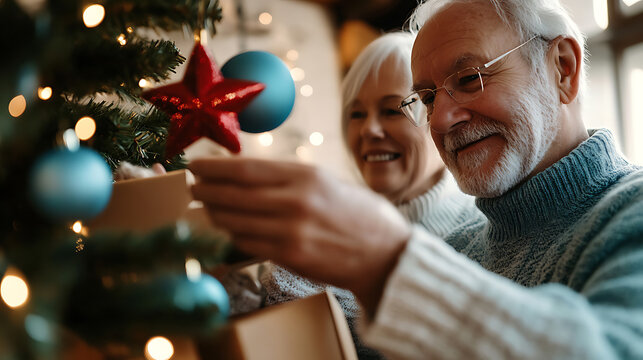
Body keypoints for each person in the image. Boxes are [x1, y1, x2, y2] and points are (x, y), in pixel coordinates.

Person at [190, 0, 643, 358]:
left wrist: (387, 260)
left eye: (469, 78)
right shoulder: (461, 248)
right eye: (426, 99)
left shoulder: (630, 210)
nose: (441, 119)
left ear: (562, 67)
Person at [252, 31, 476, 359]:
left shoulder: (486, 229)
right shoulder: (324, 230)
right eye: (356, 114)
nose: (369, 130)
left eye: (390, 110)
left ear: (435, 113)